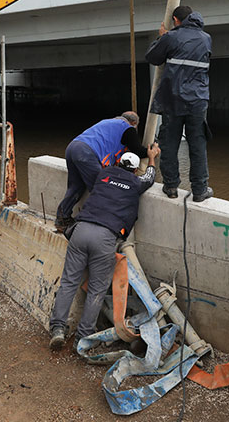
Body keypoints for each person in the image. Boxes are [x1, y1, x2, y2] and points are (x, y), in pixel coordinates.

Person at [49, 147, 160, 349]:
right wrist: (151, 158)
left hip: (81, 230)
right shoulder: (136, 182)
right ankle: (83, 338)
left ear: (118, 164)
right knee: (96, 290)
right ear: (135, 170)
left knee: (69, 282)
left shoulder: (103, 174)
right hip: (105, 236)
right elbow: (150, 177)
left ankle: (57, 328)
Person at [144, 4, 213, 202]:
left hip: (174, 99)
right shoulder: (206, 38)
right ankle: (200, 190)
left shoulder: (171, 37)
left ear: (175, 20)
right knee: (197, 144)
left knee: (169, 143)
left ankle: (171, 186)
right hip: (198, 101)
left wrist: (162, 37)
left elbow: (153, 57)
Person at [55, 111, 158, 230]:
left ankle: (62, 219)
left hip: (73, 147)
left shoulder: (107, 122)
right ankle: (91, 223)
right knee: (101, 189)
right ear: (134, 123)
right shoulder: (128, 128)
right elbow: (138, 151)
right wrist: (151, 152)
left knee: (75, 186)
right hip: (87, 153)